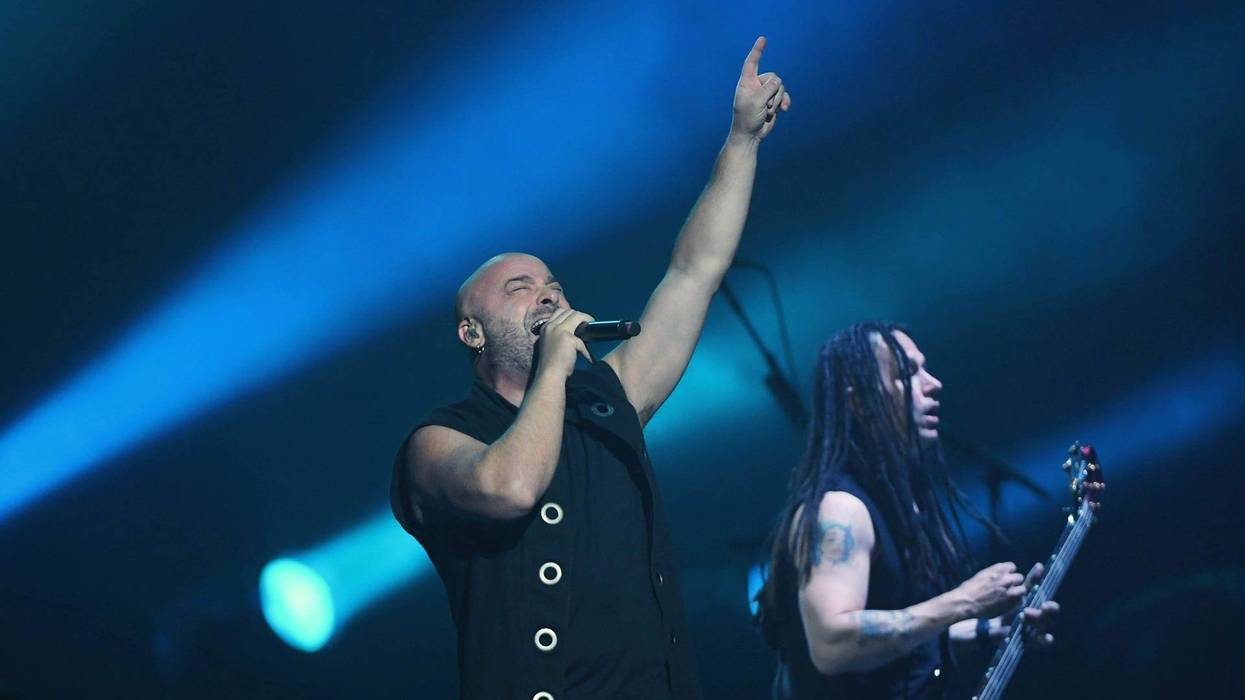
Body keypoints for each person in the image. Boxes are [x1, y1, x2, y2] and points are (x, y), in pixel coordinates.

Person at [390, 37, 791, 700]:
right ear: (471, 332)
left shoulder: (608, 398)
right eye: (520, 288)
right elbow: (509, 488)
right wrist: (553, 369)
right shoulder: (436, 442)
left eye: (553, 284)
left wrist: (742, 141)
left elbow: (693, 272)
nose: (549, 295)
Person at [755, 322, 1060, 699]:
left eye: (924, 369)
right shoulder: (840, 509)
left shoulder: (898, 503)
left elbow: (900, 646)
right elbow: (833, 643)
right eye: (906, 374)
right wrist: (964, 600)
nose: (933, 384)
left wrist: (988, 630)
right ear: (859, 402)